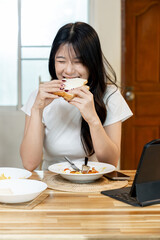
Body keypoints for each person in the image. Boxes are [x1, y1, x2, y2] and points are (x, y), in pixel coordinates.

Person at [20, 22, 133, 171]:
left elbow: (111, 162)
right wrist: (36, 110)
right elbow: (29, 164)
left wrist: (92, 119)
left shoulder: (110, 95)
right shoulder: (39, 96)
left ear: (92, 63)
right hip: (52, 184)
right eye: (61, 61)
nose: (68, 70)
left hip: (94, 183)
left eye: (78, 62)